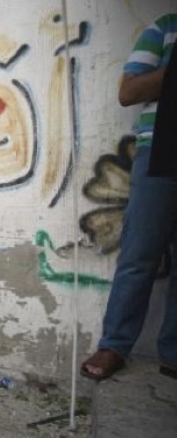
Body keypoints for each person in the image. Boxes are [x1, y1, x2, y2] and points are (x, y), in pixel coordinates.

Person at [81, 13, 177, 381]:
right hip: (162, 149)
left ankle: (172, 354)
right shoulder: (166, 28)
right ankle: (114, 345)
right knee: (139, 253)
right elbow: (129, 91)